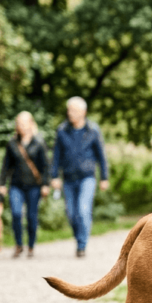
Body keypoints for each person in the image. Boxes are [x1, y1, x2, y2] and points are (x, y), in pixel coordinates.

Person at [51, 97, 109, 258]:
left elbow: (101, 156)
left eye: (74, 110)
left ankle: (82, 245)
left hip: (87, 177)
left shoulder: (93, 130)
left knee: (83, 210)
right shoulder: (62, 130)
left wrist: (104, 177)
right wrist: (54, 176)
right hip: (68, 178)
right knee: (71, 213)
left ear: (83, 112)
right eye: (69, 110)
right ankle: (79, 239)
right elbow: (56, 156)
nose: (71, 113)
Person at [0, 111, 50, 258]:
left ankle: (31, 246)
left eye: (25, 122)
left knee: (32, 217)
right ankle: (19, 245)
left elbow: (46, 165)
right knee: (16, 214)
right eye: (19, 123)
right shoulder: (12, 143)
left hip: (34, 186)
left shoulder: (39, 142)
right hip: (16, 185)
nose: (22, 126)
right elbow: (6, 166)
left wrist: (45, 184)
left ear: (31, 123)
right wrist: (2, 184)